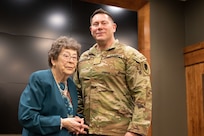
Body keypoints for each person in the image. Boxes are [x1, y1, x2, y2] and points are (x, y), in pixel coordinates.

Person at [73, 8, 152, 136]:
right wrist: (78, 121)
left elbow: (143, 96)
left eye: (104, 23)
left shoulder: (130, 56)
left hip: (120, 131)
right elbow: (77, 94)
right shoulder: (84, 58)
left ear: (114, 27)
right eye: (95, 24)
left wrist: (135, 131)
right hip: (88, 131)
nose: (99, 27)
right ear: (91, 29)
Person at [18, 36, 89, 136]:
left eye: (74, 57)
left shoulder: (71, 84)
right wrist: (61, 123)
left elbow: (68, 113)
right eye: (66, 56)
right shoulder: (40, 79)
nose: (71, 61)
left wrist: (76, 121)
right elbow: (27, 117)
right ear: (53, 60)